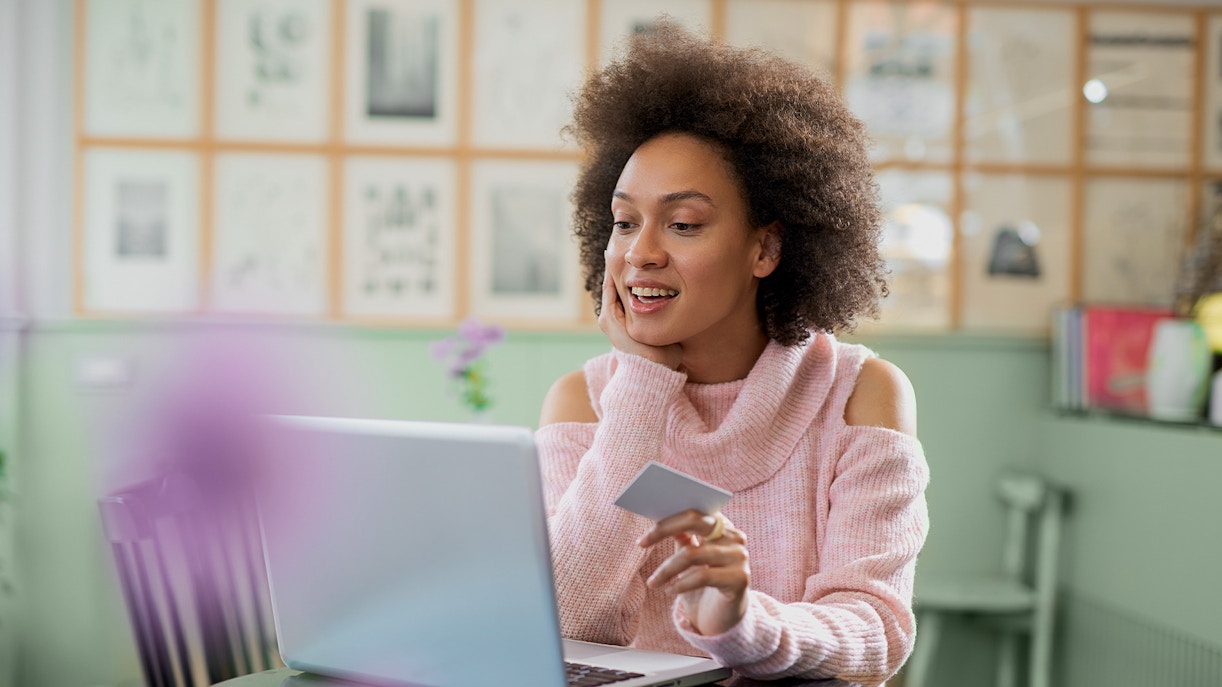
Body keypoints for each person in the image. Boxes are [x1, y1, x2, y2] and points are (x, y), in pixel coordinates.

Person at [536, 22, 929, 686]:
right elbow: (565, 624)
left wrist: (741, 621)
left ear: (766, 249)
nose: (641, 252)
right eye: (625, 221)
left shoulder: (860, 393)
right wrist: (640, 381)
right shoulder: (581, 400)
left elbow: (876, 630)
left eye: (683, 223)